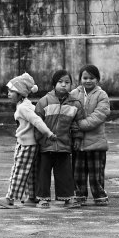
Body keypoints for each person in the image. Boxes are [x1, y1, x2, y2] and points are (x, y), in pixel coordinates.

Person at [0, 72, 55, 208]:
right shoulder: (28, 105)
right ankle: (32, 197)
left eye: (12, 91)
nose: (9, 94)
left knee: (19, 170)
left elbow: (37, 120)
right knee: (31, 171)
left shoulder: (23, 108)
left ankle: (10, 198)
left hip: (26, 144)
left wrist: (48, 133)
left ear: (21, 93)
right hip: (32, 144)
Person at [33, 69, 84, 209]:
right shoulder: (44, 101)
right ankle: (43, 198)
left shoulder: (75, 104)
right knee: (43, 173)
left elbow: (77, 124)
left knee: (65, 173)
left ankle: (68, 198)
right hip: (45, 145)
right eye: (60, 82)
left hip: (64, 145)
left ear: (71, 85)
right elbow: (37, 122)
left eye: (67, 82)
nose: (63, 85)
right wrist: (37, 141)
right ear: (54, 84)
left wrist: (77, 139)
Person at [71, 63, 111, 206]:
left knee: (96, 174)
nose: (88, 81)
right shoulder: (74, 94)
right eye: (85, 77)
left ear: (97, 80)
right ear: (80, 79)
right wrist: (75, 128)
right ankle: (79, 196)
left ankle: (100, 196)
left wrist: (80, 125)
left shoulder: (102, 95)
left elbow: (100, 115)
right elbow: (69, 113)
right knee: (78, 174)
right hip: (78, 143)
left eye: (92, 78)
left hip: (96, 143)